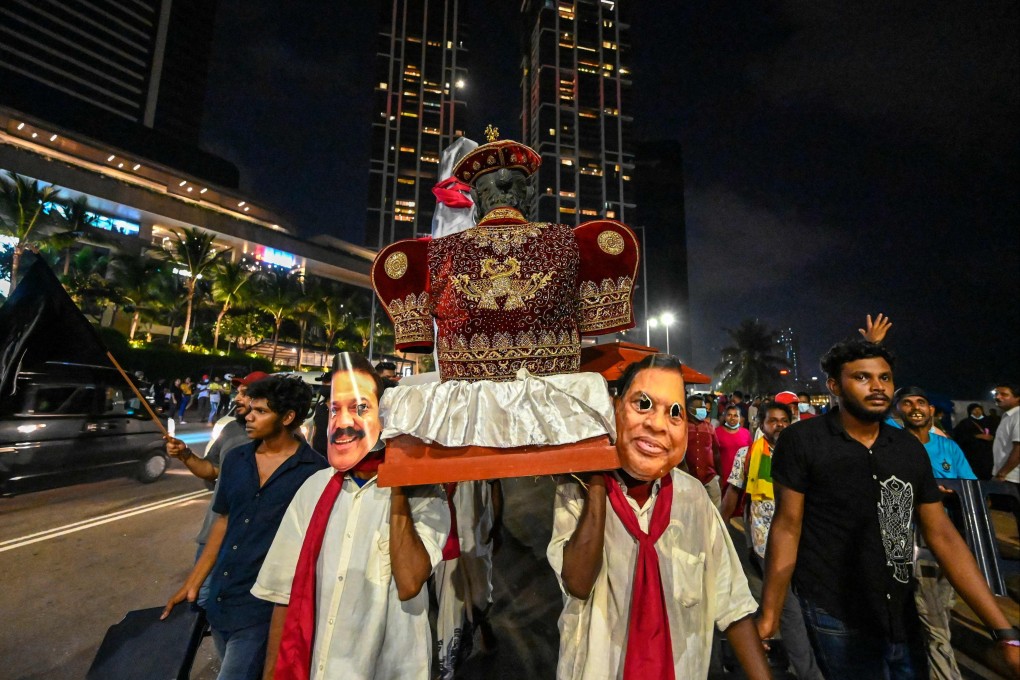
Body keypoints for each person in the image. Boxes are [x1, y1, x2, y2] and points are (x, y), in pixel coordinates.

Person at [757, 339, 1019, 679]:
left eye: (885, 378)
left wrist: (1003, 631)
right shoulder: (803, 441)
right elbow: (787, 526)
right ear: (834, 386)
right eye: (862, 377)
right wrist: (770, 614)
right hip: (836, 611)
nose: (878, 386)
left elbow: (942, 535)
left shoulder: (908, 449)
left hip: (902, 610)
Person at [547, 354, 770, 680]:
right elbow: (578, 583)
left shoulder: (692, 497)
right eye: (643, 404)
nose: (657, 424)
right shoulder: (577, 490)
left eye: (675, 412)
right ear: (614, 408)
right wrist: (595, 477)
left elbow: (732, 600)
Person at [254, 354, 449, 680]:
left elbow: (409, 582)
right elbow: (284, 597)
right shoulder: (313, 489)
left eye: (360, 408)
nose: (344, 422)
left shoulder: (427, 494)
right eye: (335, 410)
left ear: (386, 416)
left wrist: (399, 477)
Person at [162, 375, 328, 680]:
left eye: (261, 411)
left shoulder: (315, 472)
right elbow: (223, 522)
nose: (249, 416)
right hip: (223, 598)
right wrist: (193, 582)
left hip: (264, 609)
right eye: (251, 408)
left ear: (288, 417)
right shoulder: (237, 459)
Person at [721, 401, 824, 680]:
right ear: (761, 424)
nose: (779, 425)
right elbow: (733, 493)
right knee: (788, 608)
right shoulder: (747, 455)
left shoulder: (802, 453)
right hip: (765, 541)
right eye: (773, 420)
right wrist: (719, 528)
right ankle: (808, 672)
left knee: (805, 604)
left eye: (784, 420)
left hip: (804, 540)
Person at [892, 386, 976, 680]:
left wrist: (949, 492)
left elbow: (971, 489)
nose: (915, 408)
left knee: (940, 611)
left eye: (921, 402)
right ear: (896, 410)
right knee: (932, 617)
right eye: (906, 403)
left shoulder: (948, 448)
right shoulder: (891, 444)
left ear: (931, 410)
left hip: (946, 539)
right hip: (906, 538)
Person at [685, 394, 722, 509]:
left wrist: (719, 474)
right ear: (690, 410)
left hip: (709, 477)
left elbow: (716, 452)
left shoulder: (710, 427)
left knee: (715, 511)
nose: (704, 410)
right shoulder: (682, 428)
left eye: (704, 407)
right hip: (687, 479)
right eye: (701, 408)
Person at [715, 404, 752, 495]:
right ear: (724, 417)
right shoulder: (717, 432)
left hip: (742, 474)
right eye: (729, 415)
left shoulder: (746, 433)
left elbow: (750, 453)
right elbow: (713, 455)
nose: (732, 418)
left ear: (740, 418)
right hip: (724, 474)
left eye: (736, 415)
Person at [952, 403, 995, 480]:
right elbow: (959, 436)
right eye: (974, 410)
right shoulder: (965, 423)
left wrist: (992, 437)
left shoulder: (990, 421)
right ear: (970, 411)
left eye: (979, 409)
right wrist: (976, 436)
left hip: (989, 454)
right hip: (973, 455)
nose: (977, 411)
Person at [991, 382, 1020, 484]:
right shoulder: (1009, 416)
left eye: (1004, 394)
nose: (997, 397)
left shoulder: (1018, 416)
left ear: (1017, 398)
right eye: (996, 394)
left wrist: (1002, 474)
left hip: (1012, 478)